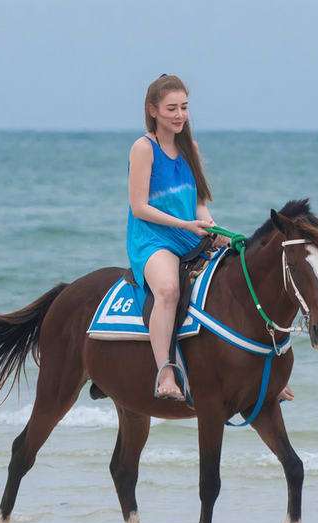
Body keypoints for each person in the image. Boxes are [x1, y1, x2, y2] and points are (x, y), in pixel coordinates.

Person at [126, 73, 294, 403]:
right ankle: (165, 372)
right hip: (153, 239)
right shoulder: (143, 148)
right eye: (171, 108)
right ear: (153, 110)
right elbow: (139, 206)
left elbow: (199, 202)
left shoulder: (191, 148)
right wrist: (186, 225)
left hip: (191, 235)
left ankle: (266, 375)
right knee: (168, 290)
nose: (179, 115)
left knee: (241, 279)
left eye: (184, 107)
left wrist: (211, 227)